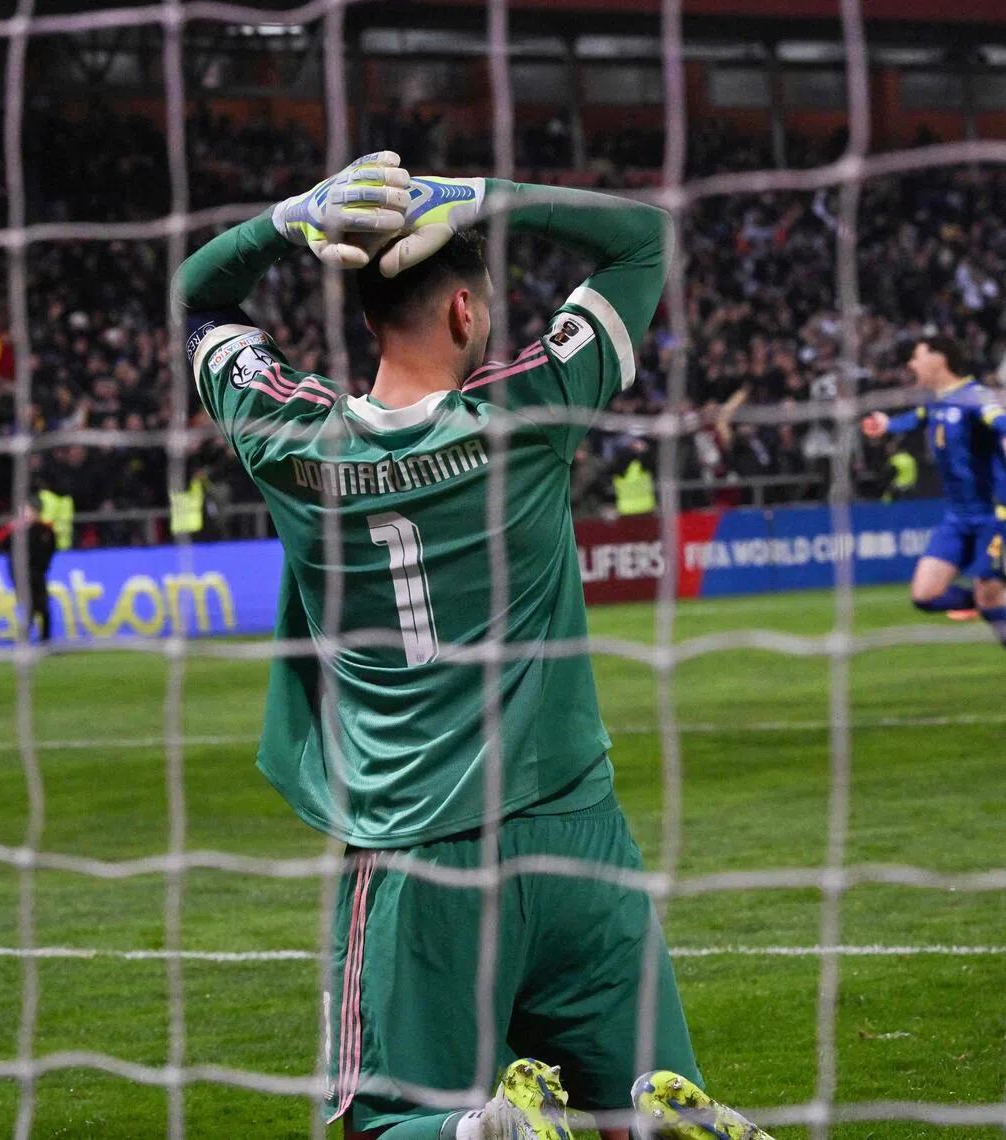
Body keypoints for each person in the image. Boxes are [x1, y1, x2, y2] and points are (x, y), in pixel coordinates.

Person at [175, 154, 774, 1140]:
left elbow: (193, 300)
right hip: (577, 834)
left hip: (420, 848)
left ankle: (483, 1131)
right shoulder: (526, 415)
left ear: (367, 316)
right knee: (645, 1107)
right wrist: (486, 197)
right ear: (466, 313)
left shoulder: (285, 433)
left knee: (392, 1123)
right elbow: (645, 236)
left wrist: (287, 222)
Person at [863, 335, 1006, 647]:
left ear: (939, 359)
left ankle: (990, 603)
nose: (911, 364)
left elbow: (999, 421)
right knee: (925, 595)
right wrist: (887, 425)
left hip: (994, 514)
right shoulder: (937, 402)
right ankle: (986, 604)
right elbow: (918, 417)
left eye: (917, 357)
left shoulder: (976, 397)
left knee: (990, 595)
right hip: (957, 518)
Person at [0, 498, 58, 642]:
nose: (24, 514)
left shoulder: (44, 530)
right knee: (31, 605)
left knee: (41, 606)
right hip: (19, 575)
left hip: (37, 573)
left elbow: (49, 550)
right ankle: (30, 637)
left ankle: (42, 638)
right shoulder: (15, 531)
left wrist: (42, 567)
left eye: (27, 511)